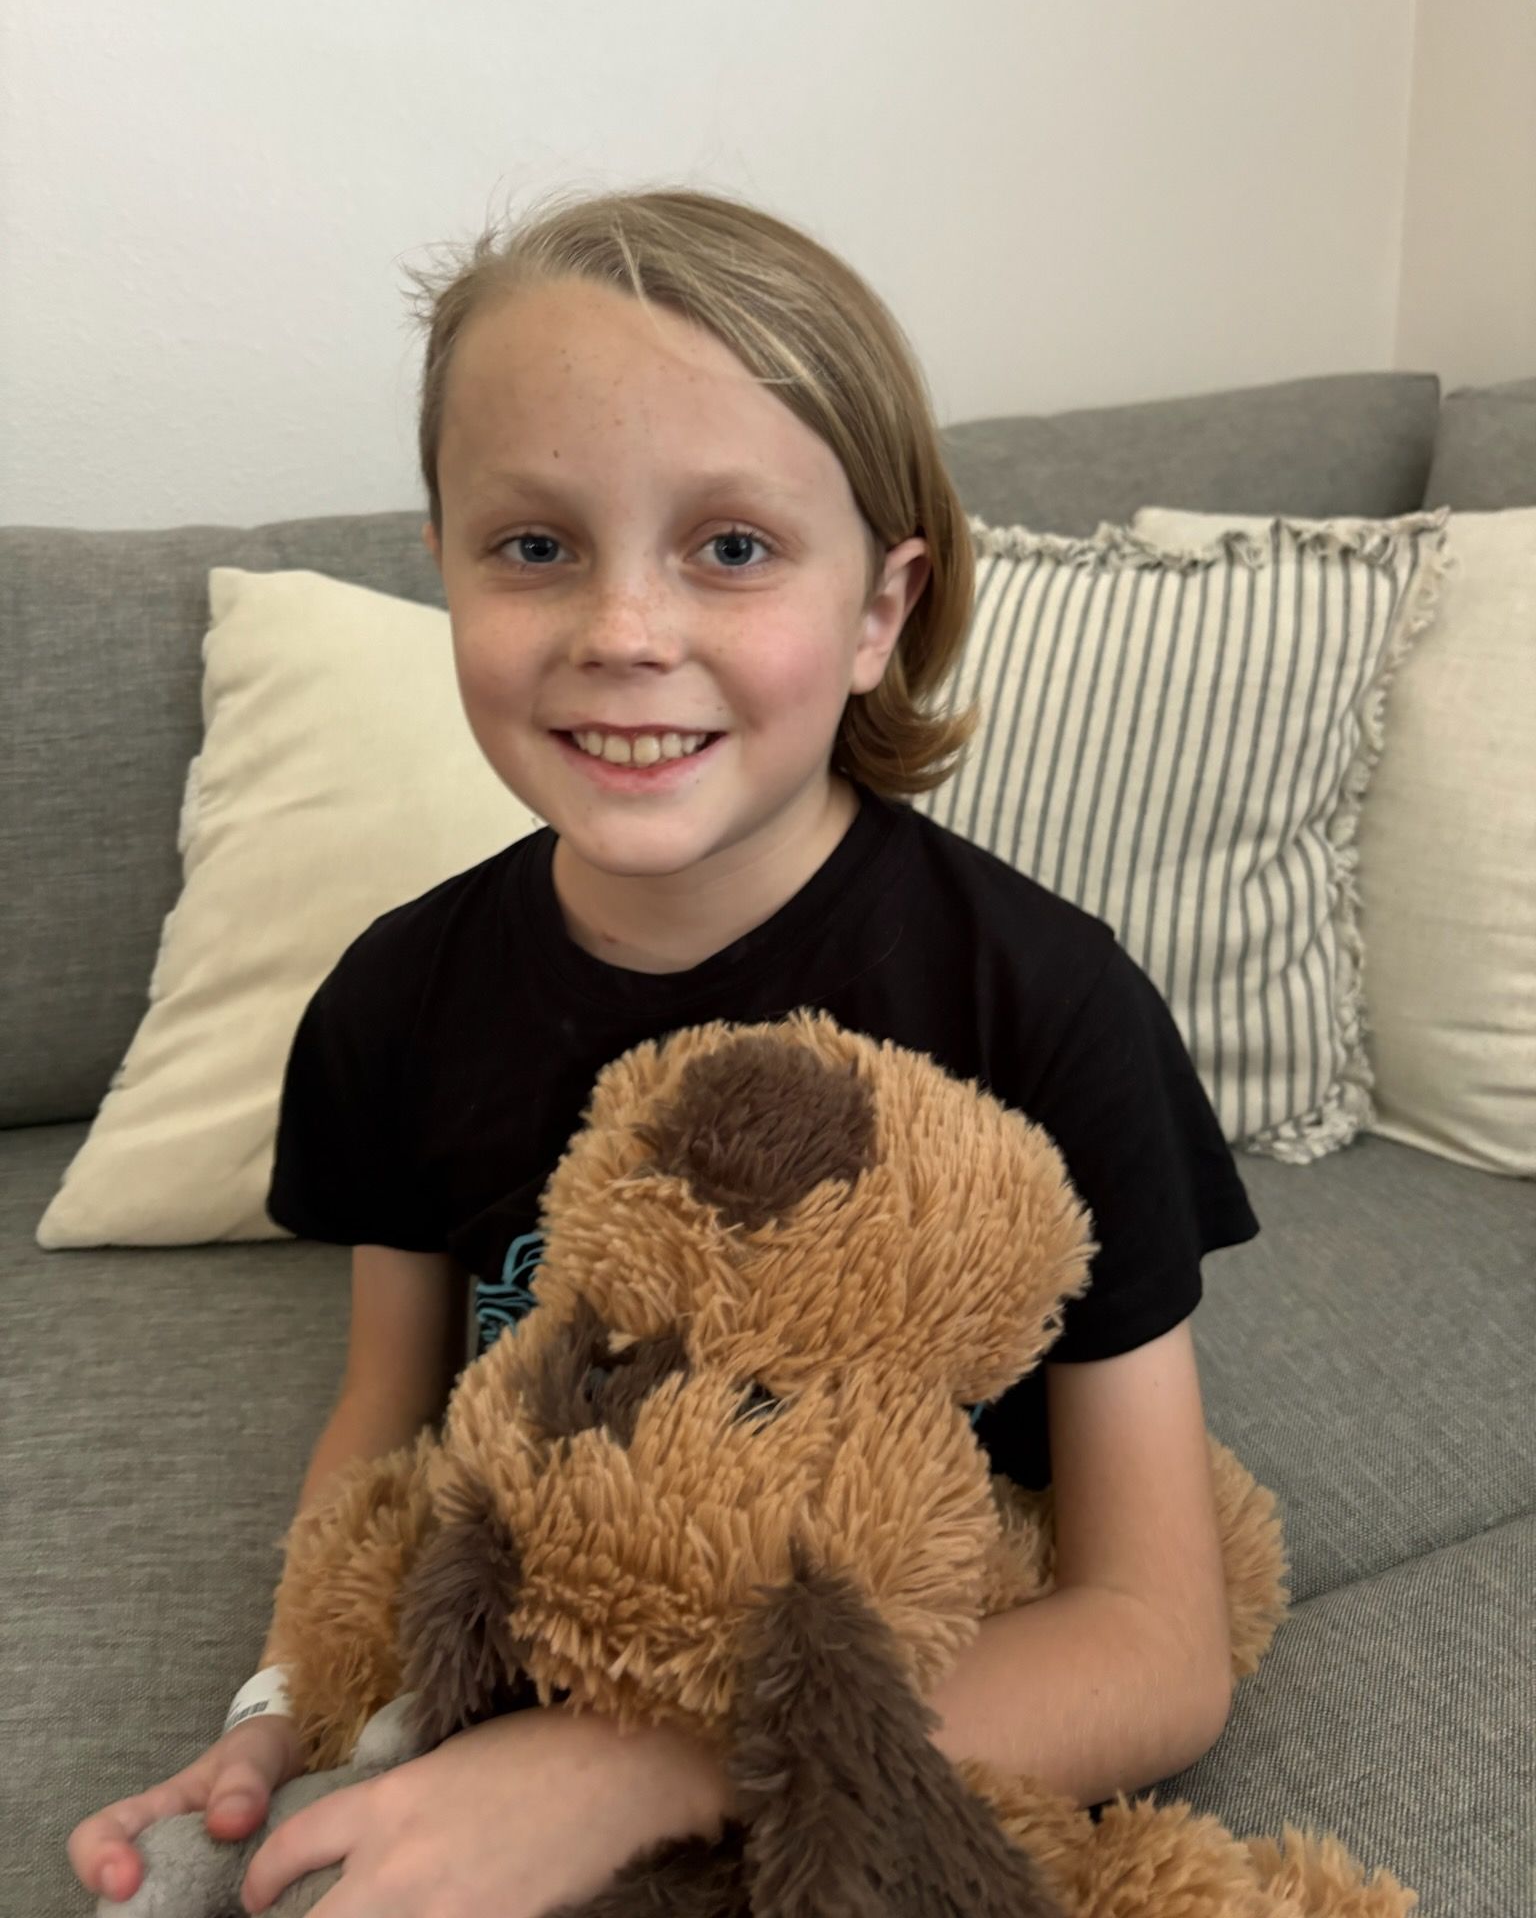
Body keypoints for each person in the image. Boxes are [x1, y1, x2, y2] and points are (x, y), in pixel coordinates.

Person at [71, 183, 1260, 1918]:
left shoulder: (1049, 1007)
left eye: (733, 546)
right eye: (535, 545)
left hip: (894, 1702)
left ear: (880, 608)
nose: (624, 631)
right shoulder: (394, 1004)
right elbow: (384, 1429)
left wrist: (633, 1773)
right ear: (447, 567)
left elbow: (1160, 1647)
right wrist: (280, 1713)